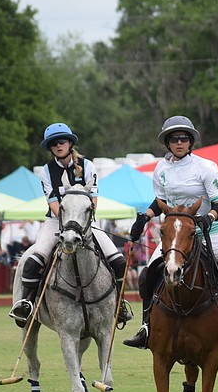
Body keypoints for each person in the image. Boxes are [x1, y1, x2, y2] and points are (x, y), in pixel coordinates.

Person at [124, 115, 218, 348]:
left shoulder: (205, 167)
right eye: (174, 139)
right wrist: (144, 218)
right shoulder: (161, 168)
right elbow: (159, 201)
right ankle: (146, 328)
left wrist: (208, 218)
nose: (179, 142)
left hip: (211, 230)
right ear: (167, 143)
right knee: (147, 276)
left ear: (190, 141)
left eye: (184, 138)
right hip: (177, 233)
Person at [9, 123, 132, 328]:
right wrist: (67, 224)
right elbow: (53, 203)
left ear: (70, 143)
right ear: (50, 148)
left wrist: (79, 224)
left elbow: (93, 200)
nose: (58, 146)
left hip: (84, 224)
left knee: (118, 261)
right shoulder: (47, 171)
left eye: (62, 142)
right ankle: (27, 304)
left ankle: (119, 306)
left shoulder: (88, 166)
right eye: (54, 144)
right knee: (34, 260)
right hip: (55, 222)